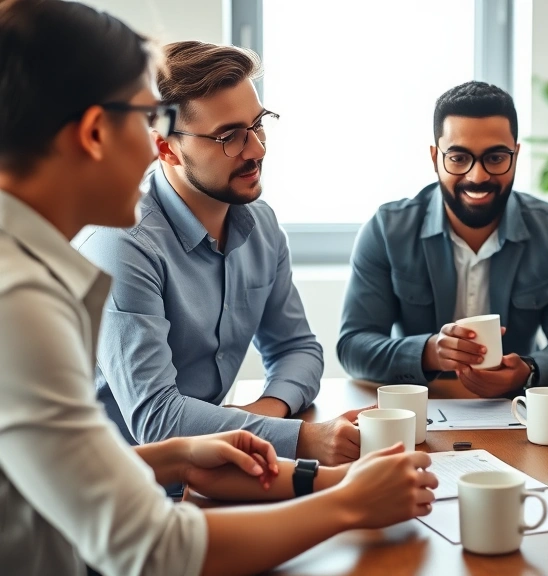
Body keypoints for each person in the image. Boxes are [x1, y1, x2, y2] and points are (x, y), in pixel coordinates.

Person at [0, 2, 437, 575]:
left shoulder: (29, 268)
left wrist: (182, 453)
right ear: (96, 134)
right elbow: (152, 549)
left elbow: (57, 466)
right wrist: (347, 501)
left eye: (257, 126)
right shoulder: (22, 299)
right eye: (142, 120)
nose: (255, 148)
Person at [77, 41, 361, 465]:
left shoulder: (261, 225)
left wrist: (263, 417)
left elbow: (298, 349)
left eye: (258, 124)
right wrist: (301, 438)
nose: (257, 150)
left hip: (224, 469)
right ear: (166, 148)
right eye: (229, 136)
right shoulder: (122, 243)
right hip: (128, 492)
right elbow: (157, 419)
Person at [337, 81, 548, 397]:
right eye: (459, 158)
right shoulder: (387, 229)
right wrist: (431, 352)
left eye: (496, 158)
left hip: (515, 409)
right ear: (435, 157)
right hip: (424, 407)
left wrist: (528, 370)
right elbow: (353, 345)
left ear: (515, 154)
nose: (478, 177)